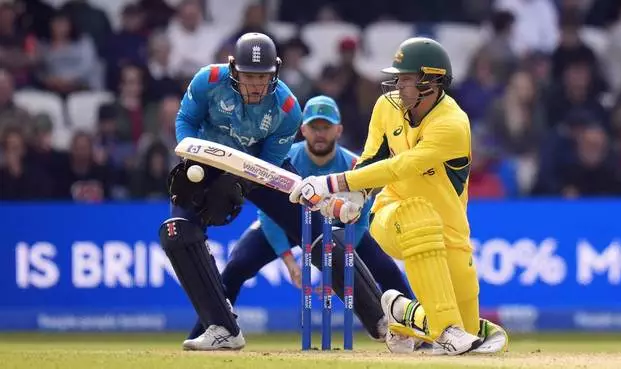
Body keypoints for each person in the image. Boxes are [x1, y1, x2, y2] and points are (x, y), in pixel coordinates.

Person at [160, 32, 396, 351]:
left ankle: (380, 321)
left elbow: (268, 163)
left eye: (263, 77)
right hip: (208, 162)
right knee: (177, 233)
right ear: (233, 69)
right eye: (249, 76)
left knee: (319, 234)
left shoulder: (287, 107)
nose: (256, 85)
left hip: (263, 167)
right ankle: (223, 328)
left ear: (276, 72)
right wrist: (191, 158)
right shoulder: (208, 80)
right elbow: (186, 121)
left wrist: (239, 183)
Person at [288, 37, 509, 355]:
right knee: (417, 216)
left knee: (471, 333)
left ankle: (402, 311)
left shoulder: (452, 124)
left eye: (405, 79)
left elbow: (402, 166)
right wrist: (357, 195)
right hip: (393, 214)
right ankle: (444, 330)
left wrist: (332, 183)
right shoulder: (386, 107)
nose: (396, 85)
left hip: (450, 230)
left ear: (430, 81)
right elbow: (373, 158)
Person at [184, 95, 413, 344]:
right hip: (283, 223)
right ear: (303, 129)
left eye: (326, 127)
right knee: (238, 265)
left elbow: (358, 223)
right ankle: (211, 330)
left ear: (339, 130)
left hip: (335, 228)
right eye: (314, 127)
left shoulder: (354, 164)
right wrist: (290, 261)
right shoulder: (286, 158)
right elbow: (270, 212)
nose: (320, 134)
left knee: (386, 268)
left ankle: (417, 327)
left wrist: (336, 261)